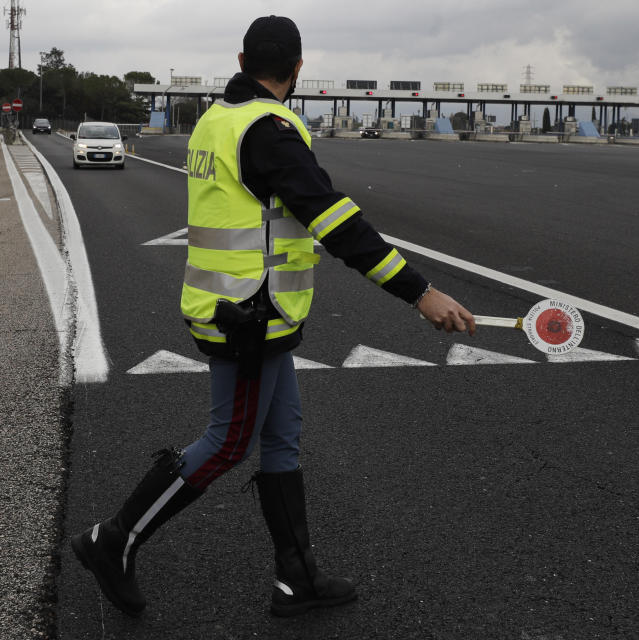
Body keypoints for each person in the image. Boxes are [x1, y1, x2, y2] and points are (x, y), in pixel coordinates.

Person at [70, 15, 475, 619]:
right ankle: (114, 540)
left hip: (251, 309)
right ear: (298, 67)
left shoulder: (216, 118)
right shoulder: (270, 130)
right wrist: (421, 293)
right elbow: (334, 221)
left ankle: (297, 575)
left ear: (240, 59)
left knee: (282, 435)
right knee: (230, 440)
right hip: (248, 315)